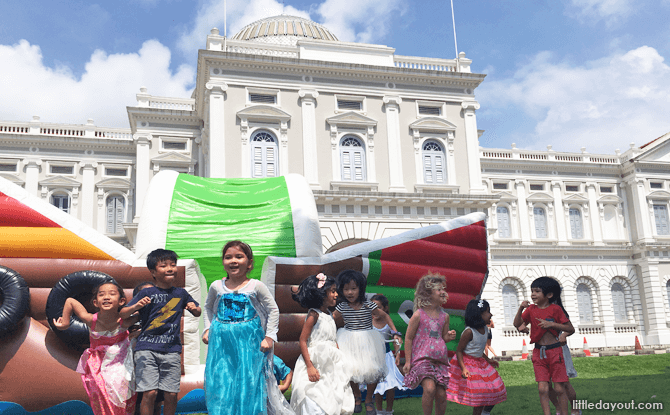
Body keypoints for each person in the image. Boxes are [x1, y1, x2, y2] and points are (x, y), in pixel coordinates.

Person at [201, 241, 293, 415]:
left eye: (239, 256)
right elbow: (208, 307)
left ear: (249, 263)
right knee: (222, 379)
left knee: (249, 380)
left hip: (248, 343)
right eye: (228, 257)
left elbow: (273, 309)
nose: (233, 260)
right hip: (222, 343)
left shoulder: (255, 286)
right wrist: (208, 329)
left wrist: (269, 337)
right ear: (223, 262)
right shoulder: (216, 286)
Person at [121, 249, 201, 415]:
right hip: (146, 349)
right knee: (150, 392)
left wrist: (194, 308)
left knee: (171, 394)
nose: (170, 268)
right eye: (164, 265)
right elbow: (123, 313)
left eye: (173, 265)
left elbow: (198, 311)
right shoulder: (146, 292)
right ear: (153, 272)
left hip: (171, 350)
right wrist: (136, 306)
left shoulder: (181, 293)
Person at [53, 279, 138, 415]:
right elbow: (70, 301)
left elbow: (145, 315)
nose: (106, 297)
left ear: (121, 301)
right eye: (101, 294)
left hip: (119, 363)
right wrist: (65, 322)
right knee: (99, 388)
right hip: (98, 363)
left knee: (122, 386)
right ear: (95, 303)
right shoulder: (91, 319)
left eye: (111, 294)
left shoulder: (124, 322)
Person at [333, 270, 401, 415]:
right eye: (346, 289)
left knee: (373, 370)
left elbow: (385, 316)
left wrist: (395, 332)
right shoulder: (342, 306)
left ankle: (368, 399)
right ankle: (357, 395)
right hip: (348, 339)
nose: (350, 292)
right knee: (349, 370)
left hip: (368, 340)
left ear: (361, 289)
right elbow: (331, 318)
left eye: (353, 288)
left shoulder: (367, 305)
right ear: (341, 290)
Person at [290, 273, 355, 415]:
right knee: (315, 393)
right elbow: (303, 340)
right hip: (316, 361)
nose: (336, 294)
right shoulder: (314, 315)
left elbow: (332, 339)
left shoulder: (330, 315)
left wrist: (341, 360)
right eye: (332, 291)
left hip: (331, 362)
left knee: (332, 393)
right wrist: (309, 366)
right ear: (320, 293)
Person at [514, 276, 575, 415]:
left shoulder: (556, 309)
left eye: (537, 291)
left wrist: (552, 324)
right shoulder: (530, 309)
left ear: (549, 295)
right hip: (539, 352)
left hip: (555, 351)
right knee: (542, 388)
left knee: (560, 388)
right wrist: (520, 308)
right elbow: (517, 324)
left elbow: (570, 329)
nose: (533, 294)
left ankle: (570, 410)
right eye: (532, 291)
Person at [402, 273, 457, 415]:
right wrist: (408, 361)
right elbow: (408, 338)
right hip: (422, 359)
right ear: (427, 293)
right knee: (429, 389)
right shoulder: (418, 315)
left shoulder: (445, 316)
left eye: (443, 289)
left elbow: (442, 337)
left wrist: (448, 336)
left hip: (440, 361)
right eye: (438, 289)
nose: (442, 292)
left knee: (441, 395)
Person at [446, 299, 506, 415]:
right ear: (478, 315)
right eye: (488, 311)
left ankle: (485, 413)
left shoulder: (485, 329)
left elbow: (478, 349)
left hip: (480, 363)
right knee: (480, 396)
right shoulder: (469, 332)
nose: (491, 314)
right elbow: (459, 351)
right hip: (469, 364)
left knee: (496, 388)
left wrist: (488, 359)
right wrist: (463, 368)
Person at [518, 322, 580, 415]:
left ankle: (575, 409)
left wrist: (563, 333)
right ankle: (558, 408)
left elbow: (569, 327)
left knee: (563, 383)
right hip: (543, 351)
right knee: (546, 384)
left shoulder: (556, 308)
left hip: (558, 347)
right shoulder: (534, 310)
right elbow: (519, 323)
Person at [129, 282, 163, 415]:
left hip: (156, 362)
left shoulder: (162, 316)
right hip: (136, 364)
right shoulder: (132, 317)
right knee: (139, 398)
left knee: (156, 396)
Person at [369, 294, 406, 415]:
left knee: (390, 385)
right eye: (372, 306)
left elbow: (395, 338)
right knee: (378, 386)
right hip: (374, 358)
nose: (375, 310)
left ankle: (389, 410)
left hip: (387, 357)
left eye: (378, 307)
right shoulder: (368, 321)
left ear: (385, 308)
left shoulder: (388, 322)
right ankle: (379, 410)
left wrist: (398, 354)